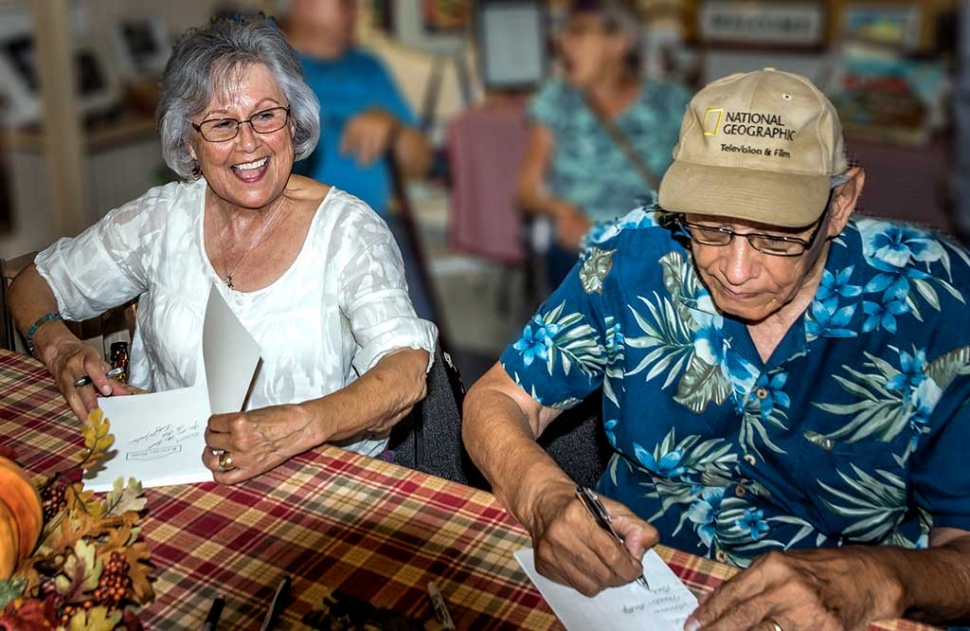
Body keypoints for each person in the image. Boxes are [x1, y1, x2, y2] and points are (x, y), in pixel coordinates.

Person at [463, 68, 970, 630]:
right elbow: (499, 398)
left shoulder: (936, 301)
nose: (735, 270)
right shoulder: (635, 254)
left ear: (842, 202)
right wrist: (542, 496)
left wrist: (884, 579)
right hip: (638, 585)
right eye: (710, 228)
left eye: (778, 236)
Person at [8, 16, 437, 485]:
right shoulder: (160, 221)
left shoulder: (349, 232)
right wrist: (58, 346)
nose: (248, 142)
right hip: (169, 481)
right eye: (222, 124)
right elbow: (35, 283)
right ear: (188, 143)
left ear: (293, 123)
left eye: (266, 115)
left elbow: (405, 370)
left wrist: (300, 426)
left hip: (317, 487)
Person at [516, 0, 690, 289]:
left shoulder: (670, 102)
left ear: (620, 41)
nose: (564, 42)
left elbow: (699, 183)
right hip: (581, 246)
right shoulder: (556, 100)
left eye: (579, 32)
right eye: (565, 32)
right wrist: (562, 211)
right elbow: (526, 191)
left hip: (653, 246)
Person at [284, 0, 436, 321]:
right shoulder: (265, 68)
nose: (356, 10)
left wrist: (392, 127)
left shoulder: (369, 67)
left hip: (375, 232)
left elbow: (421, 161)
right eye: (344, 3)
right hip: (295, 240)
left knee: (419, 342)